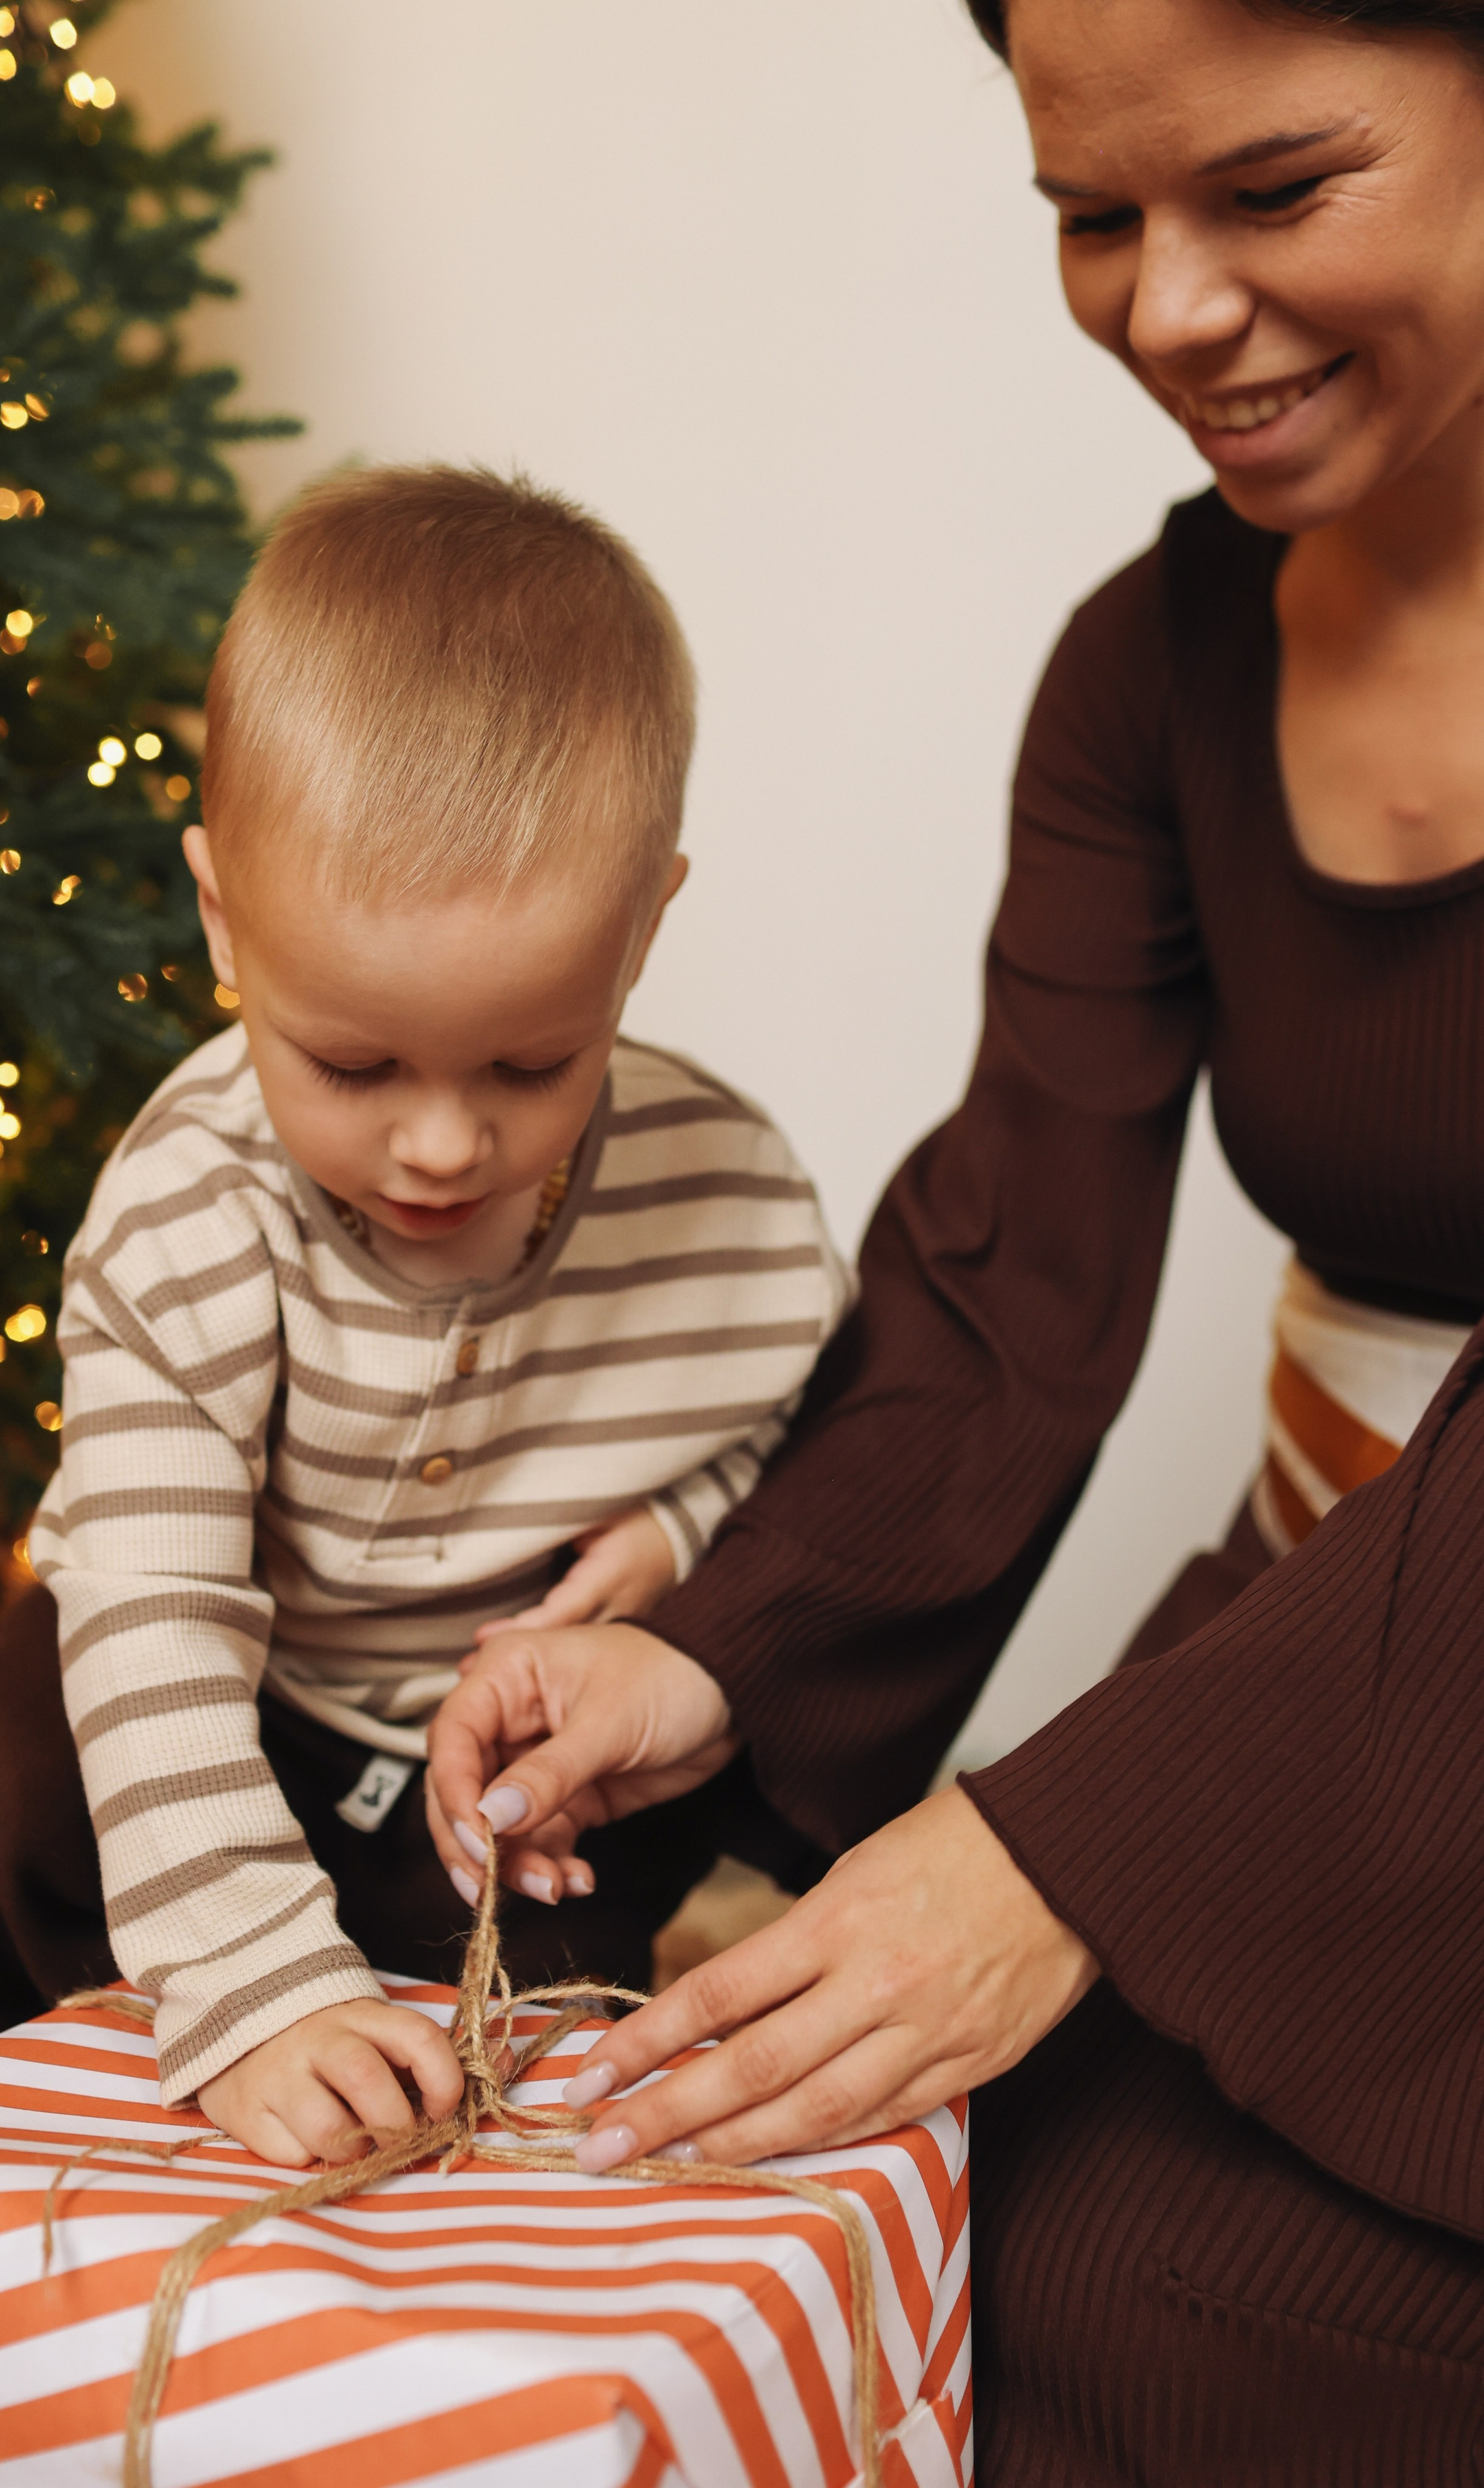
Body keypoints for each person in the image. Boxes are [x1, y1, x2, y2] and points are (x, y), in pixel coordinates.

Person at [422, 0, 1484, 2472]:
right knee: (898, 2172)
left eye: (1278, 186)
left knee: (1134, 2270)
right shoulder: (1154, 666)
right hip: (1320, 1651)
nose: (1172, 310)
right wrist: (713, 1658)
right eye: (1092, 219)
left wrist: (1075, 1841)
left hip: (1383, 1710)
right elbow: (1012, 1285)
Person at [0, 465, 849, 2164]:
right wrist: (247, 1977)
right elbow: (153, 1623)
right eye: (352, 1063)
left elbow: (788, 1430)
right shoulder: (189, 1213)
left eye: (532, 1063)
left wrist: (676, 1534)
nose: (443, 1145)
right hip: (206, 1676)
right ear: (226, 921)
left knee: (534, 2032)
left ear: (642, 930)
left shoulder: (726, 1190)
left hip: (486, 1761)